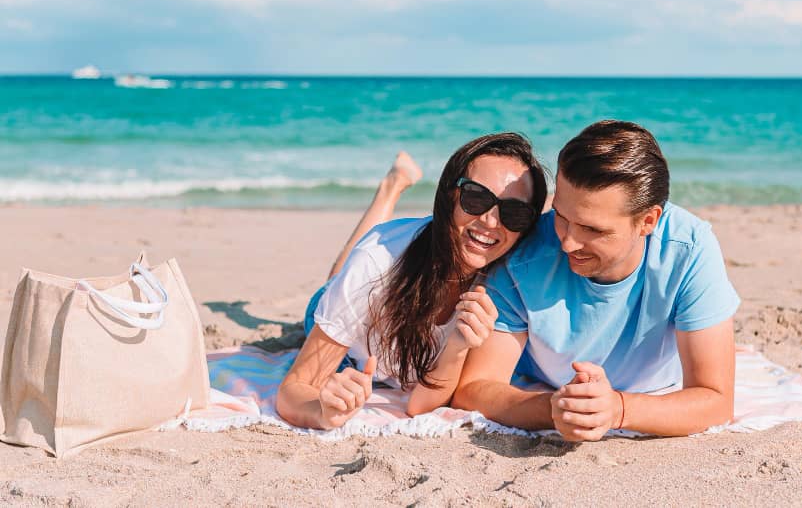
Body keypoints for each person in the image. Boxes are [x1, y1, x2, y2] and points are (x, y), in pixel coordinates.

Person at [453, 120, 740, 441]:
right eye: (561, 216)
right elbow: (474, 388)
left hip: (652, 388)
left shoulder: (688, 249)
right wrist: (555, 408)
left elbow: (715, 399)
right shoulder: (524, 254)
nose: (567, 243)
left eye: (592, 230)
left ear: (648, 221)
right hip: (546, 387)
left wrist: (617, 409)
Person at [277, 134, 548, 430]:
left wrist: (457, 346)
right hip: (351, 336)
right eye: (477, 198)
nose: (491, 221)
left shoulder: (504, 285)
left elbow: (421, 405)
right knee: (343, 273)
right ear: (449, 195)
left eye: (515, 213)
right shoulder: (377, 260)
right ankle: (390, 189)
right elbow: (294, 390)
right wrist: (321, 413)